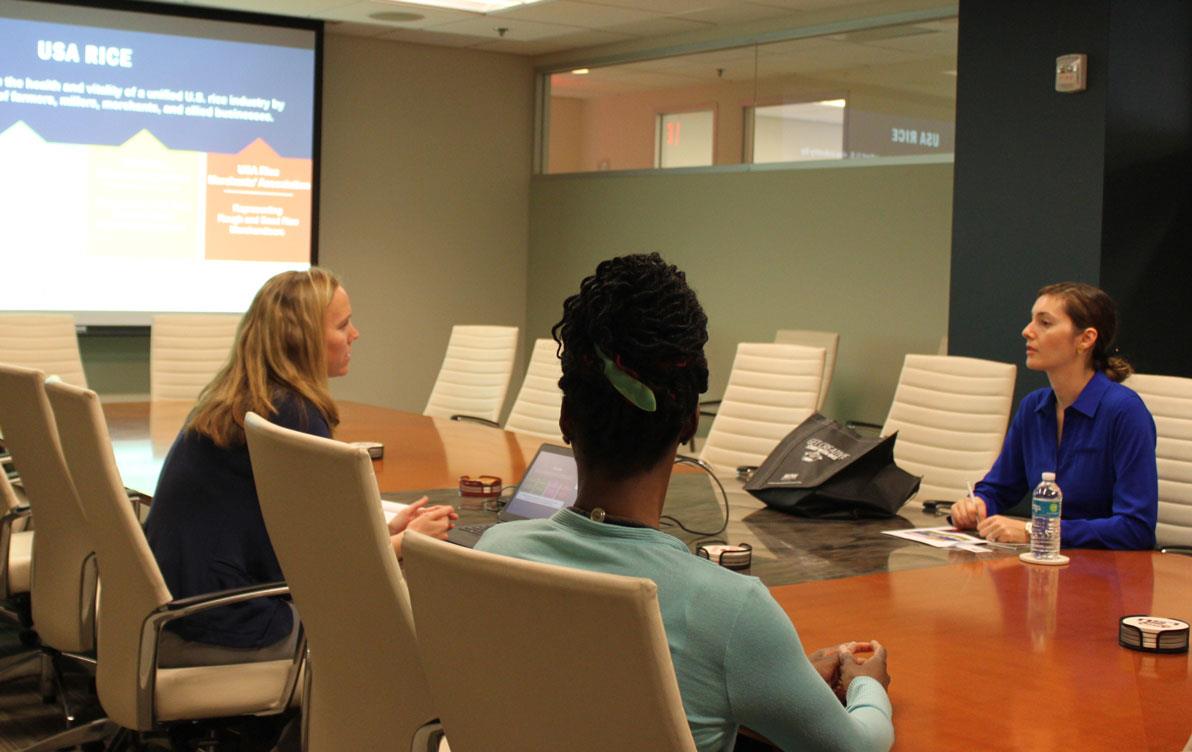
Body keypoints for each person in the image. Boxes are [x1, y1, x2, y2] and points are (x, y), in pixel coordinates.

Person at [477, 253, 893, 752]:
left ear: (567, 418)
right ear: (692, 421)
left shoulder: (494, 554)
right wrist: (868, 684)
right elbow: (856, 748)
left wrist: (782, 674)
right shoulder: (733, 613)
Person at [145, 268, 456, 666]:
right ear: (303, 340)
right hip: (229, 622)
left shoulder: (239, 398)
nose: (355, 334)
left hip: (178, 608)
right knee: (405, 634)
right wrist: (405, 545)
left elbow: (304, 531)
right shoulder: (292, 414)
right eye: (343, 325)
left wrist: (384, 531)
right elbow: (325, 568)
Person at [950, 282, 1158, 549]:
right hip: (1045, 564)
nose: (1027, 331)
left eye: (1045, 323)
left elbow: (1135, 528)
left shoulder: (1125, 412)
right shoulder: (1034, 407)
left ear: (1086, 339)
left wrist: (1035, 530)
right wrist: (977, 504)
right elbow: (999, 488)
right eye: (1031, 321)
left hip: (1106, 575)